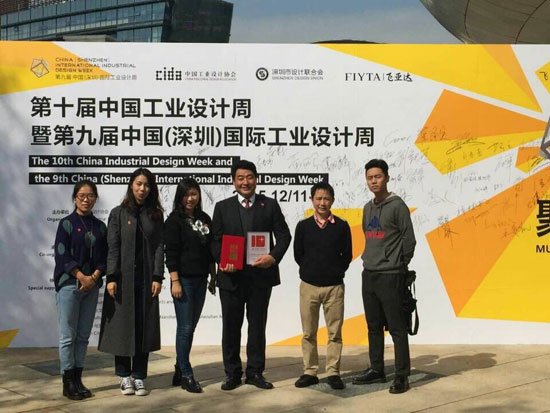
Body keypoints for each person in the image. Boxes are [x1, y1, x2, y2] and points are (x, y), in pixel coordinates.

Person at [211, 159, 291, 391]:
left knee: (257, 326)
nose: (245, 182)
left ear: (256, 179)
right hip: (231, 278)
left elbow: (284, 236)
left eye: (249, 177)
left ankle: (255, 372)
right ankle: (232, 373)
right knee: (231, 327)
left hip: (260, 277)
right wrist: (222, 261)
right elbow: (215, 241)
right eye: (240, 178)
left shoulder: (270, 205)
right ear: (233, 181)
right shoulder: (222, 207)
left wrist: (272, 257)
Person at [98, 168, 164, 396]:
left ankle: (139, 376)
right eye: (138, 184)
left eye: (146, 185)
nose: (142, 189)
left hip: (146, 281)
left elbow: (159, 247)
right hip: (122, 281)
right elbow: (113, 247)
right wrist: (111, 277)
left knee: (144, 328)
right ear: (131, 185)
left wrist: (157, 276)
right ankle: (124, 375)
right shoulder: (118, 213)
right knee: (122, 327)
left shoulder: (155, 214)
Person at [352, 159, 416, 394]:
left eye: (378, 176)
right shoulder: (367, 208)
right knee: (373, 326)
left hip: (391, 275)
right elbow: (368, 236)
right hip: (369, 274)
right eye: (370, 178)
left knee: (397, 328)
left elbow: (409, 240)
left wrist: (398, 265)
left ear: (387, 177)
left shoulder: (398, 206)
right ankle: (377, 369)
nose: (374, 181)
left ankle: (401, 375)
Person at [293, 182, 352, 390]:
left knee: (334, 333)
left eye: (326, 198)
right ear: (312, 200)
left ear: (332, 201)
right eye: (318, 198)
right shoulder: (303, 226)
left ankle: (333, 372)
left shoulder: (342, 226)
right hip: (309, 286)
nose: (322, 202)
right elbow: (298, 254)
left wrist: (334, 271)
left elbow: (347, 255)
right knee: (308, 332)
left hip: (334, 287)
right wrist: (311, 270)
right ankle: (310, 371)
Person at [53, 180, 107, 400]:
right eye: (82, 195)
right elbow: (62, 255)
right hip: (69, 285)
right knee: (68, 336)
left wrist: (93, 278)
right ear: (75, 198)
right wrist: (81, 276)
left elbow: (104, 258)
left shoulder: (100, 226)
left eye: (91, 195)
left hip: (91, 287)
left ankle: (78, 379)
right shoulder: (66, 223)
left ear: (95, 198)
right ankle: (67, 382)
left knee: (83, 336)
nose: (86, 199)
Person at [164, 178, 216, 393]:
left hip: (201, 279)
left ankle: (179, 368)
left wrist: (213, 276)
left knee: (190, 327)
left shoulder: (204, 218)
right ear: (180, 197)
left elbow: (211, 251)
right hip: (183, 281)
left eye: (194, 194)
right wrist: (175, 281)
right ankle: (186, 374)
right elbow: (171, 254)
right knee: (185, 328)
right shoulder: (173, 221)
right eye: (186, 194)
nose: (190, 198)